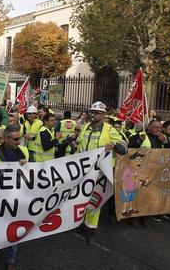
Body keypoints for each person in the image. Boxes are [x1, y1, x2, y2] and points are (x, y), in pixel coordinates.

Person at [72, 101, 126, 240]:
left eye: (97, 113)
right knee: (82, 197)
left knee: (94, 199)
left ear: (103, 115)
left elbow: (123, 148)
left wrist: (113, 145)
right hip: (83, 169)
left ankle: (90, 228)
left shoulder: (109, 129)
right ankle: (81, 223)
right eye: (93, 112)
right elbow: (79, 145)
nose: (94, 115)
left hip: (99, 171)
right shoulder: (85, 127)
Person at [0, 125, 29, 270]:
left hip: (15, 197)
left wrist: (27, 165)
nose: (18, 141)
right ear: (6, 138)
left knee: (13, 227)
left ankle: (11, 259)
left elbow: (33, 173)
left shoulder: (24, 152)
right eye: (15, 139)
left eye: (19, 138)